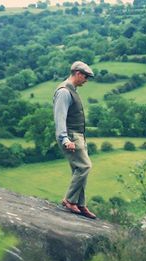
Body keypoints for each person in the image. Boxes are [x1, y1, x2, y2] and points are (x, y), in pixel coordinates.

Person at [53, 61, 96, 219]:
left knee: (79, 171)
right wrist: (64, 139)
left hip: (77, 136)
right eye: (85, 77)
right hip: (70, 137)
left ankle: (80, 204)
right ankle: (70, 200)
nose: (86, 80)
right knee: (85, 167)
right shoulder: (64, 91)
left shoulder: (72, 90)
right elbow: (60, 118)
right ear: (78, 74)